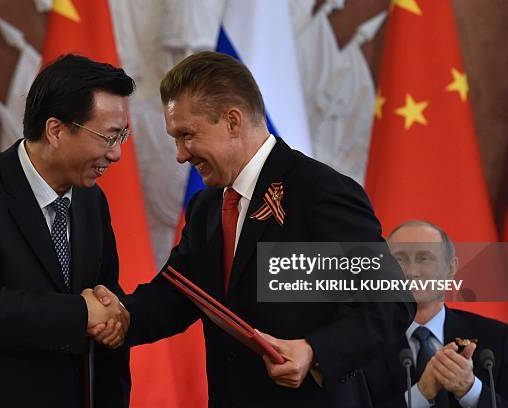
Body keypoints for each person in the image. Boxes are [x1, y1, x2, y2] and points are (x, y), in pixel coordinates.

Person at [92, 51, 414, 407]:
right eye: (175, 139)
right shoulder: (207, 207)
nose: (181, 155)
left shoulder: (319, 193)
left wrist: (313, 352)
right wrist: (119, 315)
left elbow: (391, 302)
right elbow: (178, 294)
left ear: (232, 121)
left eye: (187, 135)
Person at [0, 54, 131, 407]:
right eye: (108, 137)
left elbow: (105, 302)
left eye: (122, 136)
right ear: (56, 130)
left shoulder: (91, 201)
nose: (116, 155)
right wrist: (80, 314)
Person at [364, 220, 508, 407]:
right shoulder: (362, 344)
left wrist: (470, 390)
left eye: (424, 258)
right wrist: (420, 394)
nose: (411, 272)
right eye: (399, 259)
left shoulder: (497, 338)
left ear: (450, 268)